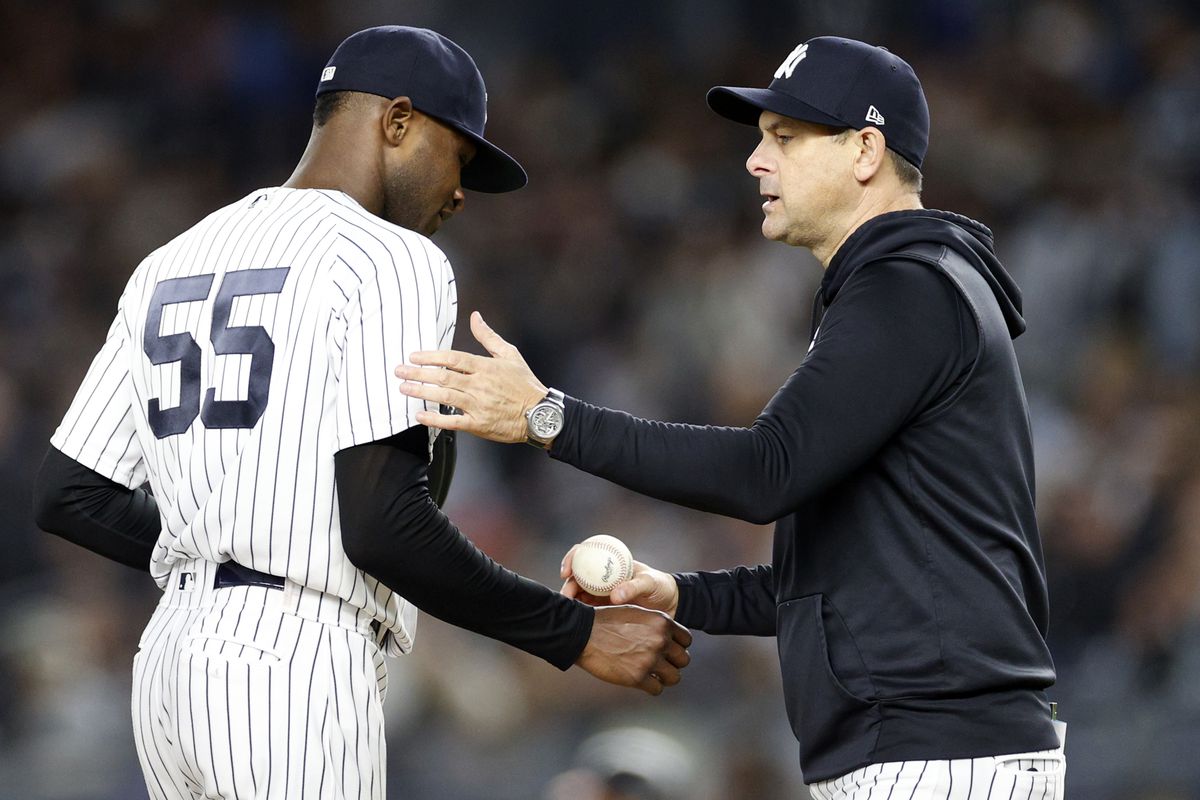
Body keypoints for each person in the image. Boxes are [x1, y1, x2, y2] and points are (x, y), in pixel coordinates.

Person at [394, 36, 1066, 799]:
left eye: (785, 138)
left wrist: (548, 417)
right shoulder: (905, 290)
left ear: (866, 150)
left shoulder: (909, 289)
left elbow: (764, 472)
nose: (755, 161)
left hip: (940, 755)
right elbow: (832, 579)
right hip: (929, 749)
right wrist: (680, 594)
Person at [32, 26, 691, 800]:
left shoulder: (171, 259)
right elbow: (383, 524)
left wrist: (220, 556)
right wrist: (573, 633)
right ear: (398, 121)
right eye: (459, 159)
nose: (456, 193)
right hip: (293, 660)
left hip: (170, 667)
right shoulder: (391, 256)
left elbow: (70, 492)